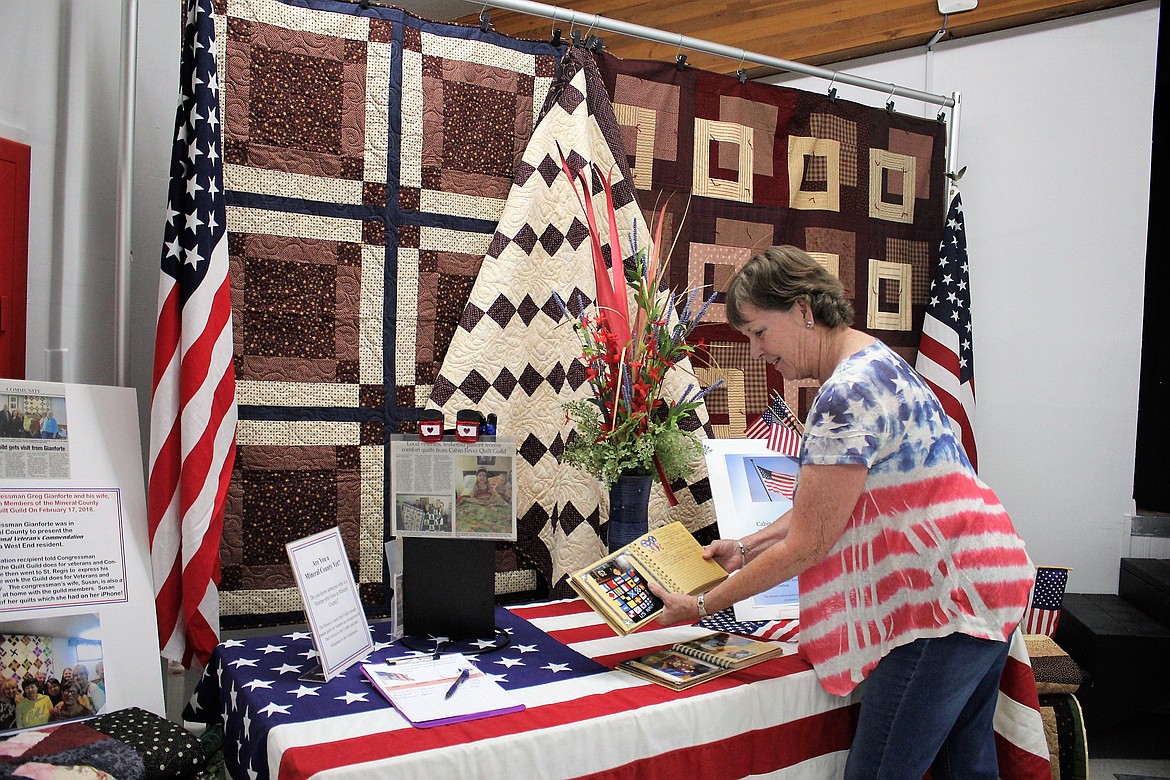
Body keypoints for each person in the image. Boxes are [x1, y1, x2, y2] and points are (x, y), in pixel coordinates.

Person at [650, 246, 1035, 779]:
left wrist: (702, 607)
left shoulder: (845, 394)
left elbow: (810, 542)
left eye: (760, 333)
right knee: (962, 768)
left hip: (944, 602)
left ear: (804, 309)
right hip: (986, 580)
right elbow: (828, 505)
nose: (758, 352)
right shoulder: (875, 360)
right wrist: (744, 548)